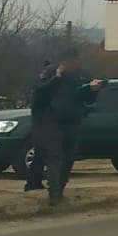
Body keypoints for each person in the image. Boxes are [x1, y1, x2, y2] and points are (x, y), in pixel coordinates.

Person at [29, 49, 103, 205]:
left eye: (76, 61)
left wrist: (93, 90)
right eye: (70, 62)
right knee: (54, 155)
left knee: (69, 157)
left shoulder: (83, 74)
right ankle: (53, 192)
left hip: (73, 120)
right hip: (51, 119)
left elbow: (87, 99)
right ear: (64, 61)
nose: (73, 65)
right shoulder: (50, 71)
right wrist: (56, 77)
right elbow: (39, 91)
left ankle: (60, 189)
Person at [24, 60, 54, 191]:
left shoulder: (40, 85)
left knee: (40, 156)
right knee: (41, 156)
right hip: (42, 124)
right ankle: (33, 183)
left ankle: (34, 182)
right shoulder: (42, 87)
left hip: (40, 124)